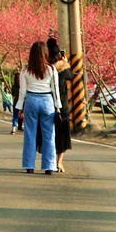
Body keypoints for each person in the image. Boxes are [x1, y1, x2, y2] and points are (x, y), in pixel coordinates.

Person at [16, 40, 61, 174]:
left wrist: (20, 107)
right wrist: (58, 106)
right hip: (47, 101)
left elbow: (22, 91)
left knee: (30, 134)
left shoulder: (25, 70)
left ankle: (29, 165)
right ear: (46, 54)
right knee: (49, 134)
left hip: (31, 100)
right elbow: (55, 89)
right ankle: (49, 166)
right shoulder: (51, 69)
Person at [48, 39, 73, 173]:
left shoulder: (45, 69)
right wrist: (66, 62)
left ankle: (49, 161)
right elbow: (71, 76)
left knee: (48, 134)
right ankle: (59, 162)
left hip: (47, 103)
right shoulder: (63, 69)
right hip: (62, 105)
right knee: (61, 134)